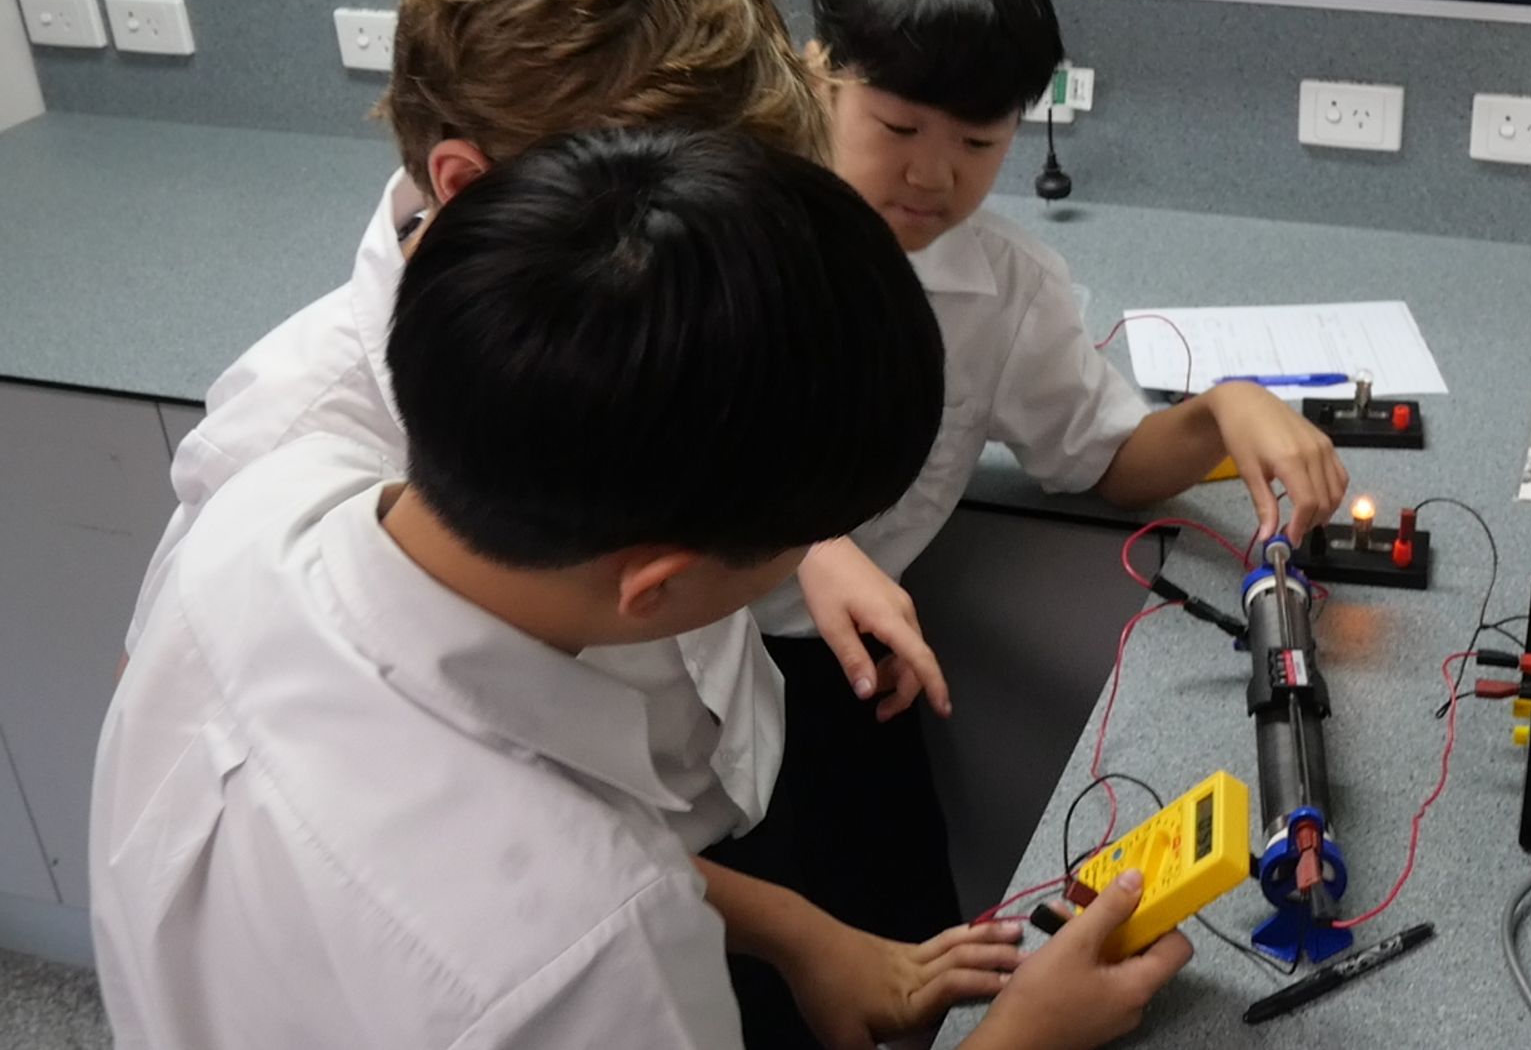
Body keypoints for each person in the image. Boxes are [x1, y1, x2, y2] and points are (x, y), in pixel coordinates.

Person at [91, 127, 1191, 1050]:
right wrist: (1021, 1038)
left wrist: (795, 929)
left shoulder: (266, 502)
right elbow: (563, 924)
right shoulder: (590, 959)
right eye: (806, 541)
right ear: (657, 588)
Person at [118, 0, 956, 1041]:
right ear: (469, 186)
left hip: (712, 797)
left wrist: (796, 527)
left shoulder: (305, 519)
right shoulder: (286, 452)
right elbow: (445, 848)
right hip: (624, 891)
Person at [710, 0, 1350, 959]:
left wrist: (1221, 409)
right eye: (899, 128)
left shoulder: (1000, 288)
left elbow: (1104, 460)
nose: (934, 176)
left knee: (907, 949)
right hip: (674, 658)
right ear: (820, 76)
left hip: (849, 681)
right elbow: (646, 453)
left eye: (978, 144)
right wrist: (804, 543)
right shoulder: (714, 232)